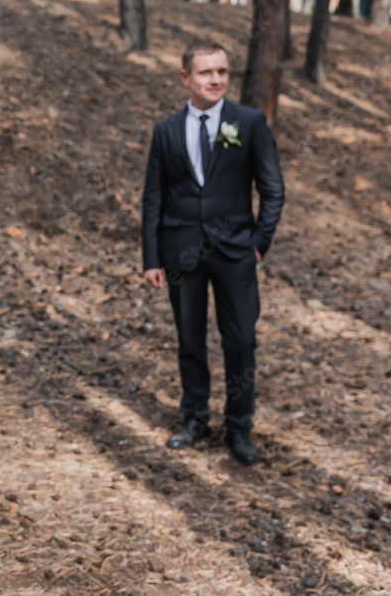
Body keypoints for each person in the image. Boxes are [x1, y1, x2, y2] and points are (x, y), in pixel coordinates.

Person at [140, 41, 285, 466]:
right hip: (180, 251)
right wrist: (151, 257)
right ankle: (195, 418)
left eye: (222, 71)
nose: (216, 79)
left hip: (236, 250)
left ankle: (239, 427)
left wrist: (259, 243)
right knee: (190, 340)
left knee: (240, 341)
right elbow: (154, 198)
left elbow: (272, 190)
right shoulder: (166, 131)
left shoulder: (249, 122)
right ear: (186, 77)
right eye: (206, 73)